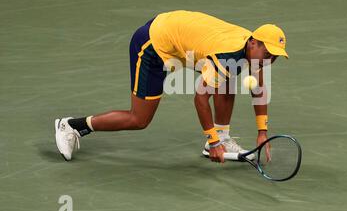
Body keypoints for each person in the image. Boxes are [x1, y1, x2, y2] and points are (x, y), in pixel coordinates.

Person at [55, 10, 288, 163]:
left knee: (226, 80)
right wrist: (213, 141)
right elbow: (199, 99)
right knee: (139, 119)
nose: (271, 60)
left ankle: (222, 137)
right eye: (268, 53)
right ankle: (72, 126)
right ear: (254, 43)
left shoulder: (253, 52)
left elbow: (258, 88)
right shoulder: (229, 53)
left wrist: (262, 132)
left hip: (182, 42)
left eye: (275, 56)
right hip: (153, 45)